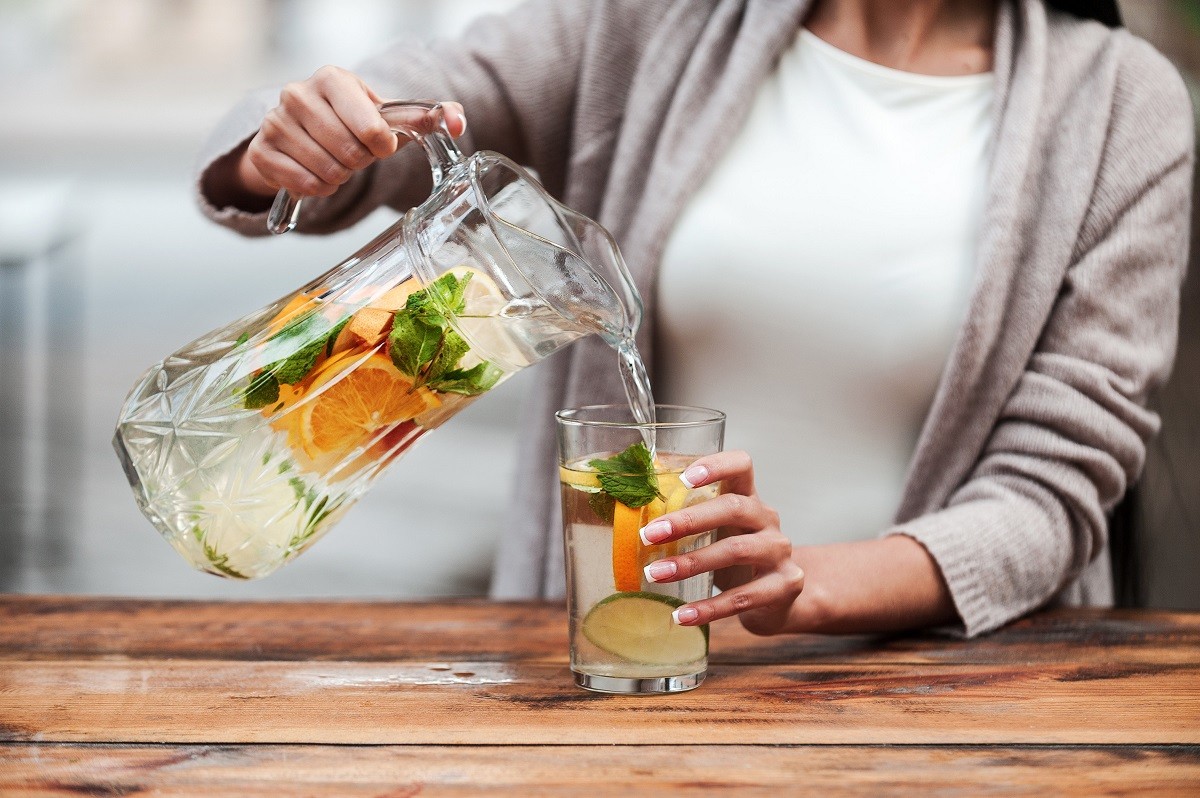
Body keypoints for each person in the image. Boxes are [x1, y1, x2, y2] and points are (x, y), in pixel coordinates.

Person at [197, 0, 1193, 638]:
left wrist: (804, 580)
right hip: (614, 681)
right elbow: (429, 103)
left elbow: (1058, 488)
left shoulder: (1120, 103)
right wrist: (300, 135)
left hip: (945, 707)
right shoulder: (656, 22)